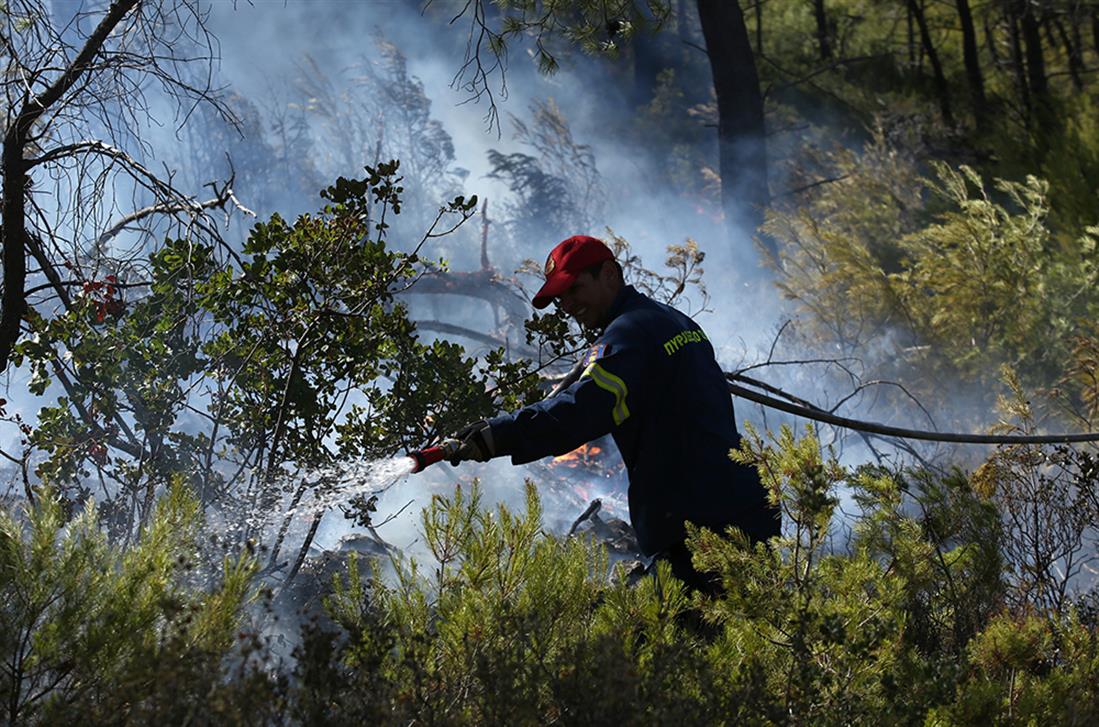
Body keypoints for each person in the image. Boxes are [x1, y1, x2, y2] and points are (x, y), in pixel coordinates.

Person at [449, 235, 779, 592]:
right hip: (746, 506)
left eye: (575, 289)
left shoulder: (627, 335)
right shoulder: (674, 322)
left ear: (608, 274)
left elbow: (579, 412)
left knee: (666, 639)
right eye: (560, 298)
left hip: (697, 526)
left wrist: (498, 435)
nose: (567, 305)